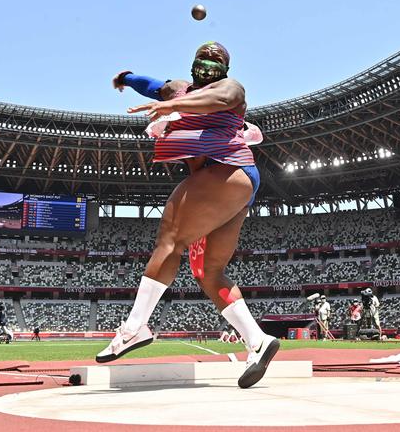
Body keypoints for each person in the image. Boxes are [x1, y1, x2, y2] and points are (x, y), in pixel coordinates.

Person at [96, 42, 279, 388]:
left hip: (227, 171)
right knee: (211, 272)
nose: (208, 69)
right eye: (203, 62)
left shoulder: (231, 89)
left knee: (169, 239)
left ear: (225, 69)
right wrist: (128, 78)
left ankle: (134, 329)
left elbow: (218, 100)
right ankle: (258, 341)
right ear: (193, 64)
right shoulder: (178, 89)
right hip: (235, 187)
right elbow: (154, 86)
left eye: (215, 64)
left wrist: (171, 107)